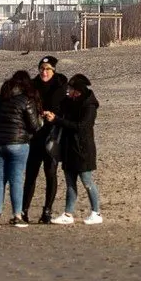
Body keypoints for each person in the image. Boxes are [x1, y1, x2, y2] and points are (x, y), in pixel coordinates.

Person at [0, 71, 40, 228]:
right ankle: (17, 215)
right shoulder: (26, 100)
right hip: (17, 143)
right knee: (16, 179)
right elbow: (34, 125)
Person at [21, 56, 68, 225]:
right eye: (41, 68)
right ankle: (24, 210)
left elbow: (66, 110)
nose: (44, 72)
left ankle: (47, 211)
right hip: (35, 135)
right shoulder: (33, 86)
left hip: (53, 135)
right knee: (31, 174)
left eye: (47, 69)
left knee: (50, 172)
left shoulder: (61, 86)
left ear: (53, 70)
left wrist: (54, 117)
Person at [51, 74, 103, 225]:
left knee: (87, 181)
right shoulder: (68, 102)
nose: (68, 91)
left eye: (71, 89)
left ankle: (96, 212)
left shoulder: (89, 106)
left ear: (78, 91)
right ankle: (68, 213)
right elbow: (60, 112)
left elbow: (81, 127)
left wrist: (58, 120)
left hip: (83, 150)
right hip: (68, 148)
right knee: (70, 184)